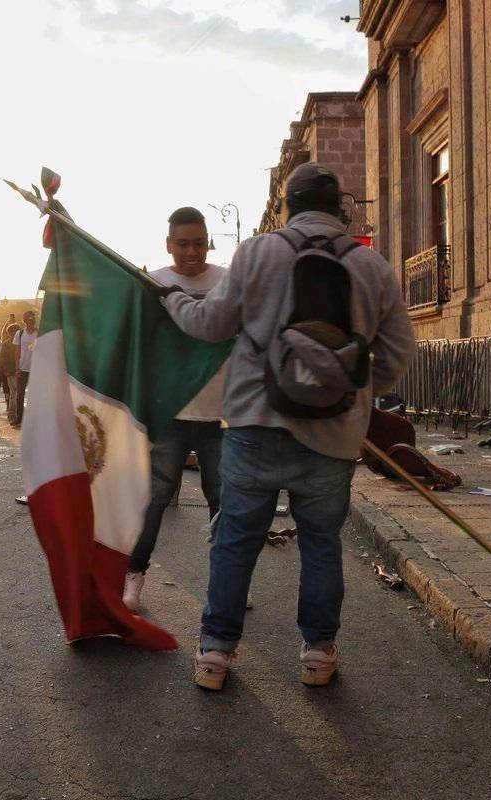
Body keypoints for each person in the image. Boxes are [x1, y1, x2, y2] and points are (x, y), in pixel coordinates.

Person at [160, 163, 416, 689]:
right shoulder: (374, 267)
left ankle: (215, 654)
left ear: (287, 209)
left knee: (235, 540)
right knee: (322, 544)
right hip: (334, 434)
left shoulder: (257, 253)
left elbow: (211, 326)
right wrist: (355, 396)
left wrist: (172, 299)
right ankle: (318, 655)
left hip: (255, 423)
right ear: (340, 209)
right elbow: (395, 356)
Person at [122, 207, 228, 611]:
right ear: (169, 245)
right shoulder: (153, 284)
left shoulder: (227, 281)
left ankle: (227, 581)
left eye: (199, 243)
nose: (191, 252)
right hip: (170, 415)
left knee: (224, 503)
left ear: (208, 242)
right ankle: (133, 576)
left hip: (220, 414)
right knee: (154, 500)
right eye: (182, 244)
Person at [9, 311, 37, 427]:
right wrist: (17, 368)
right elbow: (16, 352)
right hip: (23, 369)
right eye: (29, 320)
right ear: (25, 321)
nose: (32, 322)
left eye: (33, 319)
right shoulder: (20, 334)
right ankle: (19, 418)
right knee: (20, 395)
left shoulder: (39, 333)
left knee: (35, 395)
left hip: (36, 369)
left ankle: (34, 418)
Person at [0, 324, 18, 414]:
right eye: (12, 332)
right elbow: (2, 358)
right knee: (14, 392)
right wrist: (5, 370)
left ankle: (15, 409)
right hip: (11, 371)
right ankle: (13, 410)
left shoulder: (21, 342)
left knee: (16, 392)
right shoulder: (6, 344)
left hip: (20, 370)